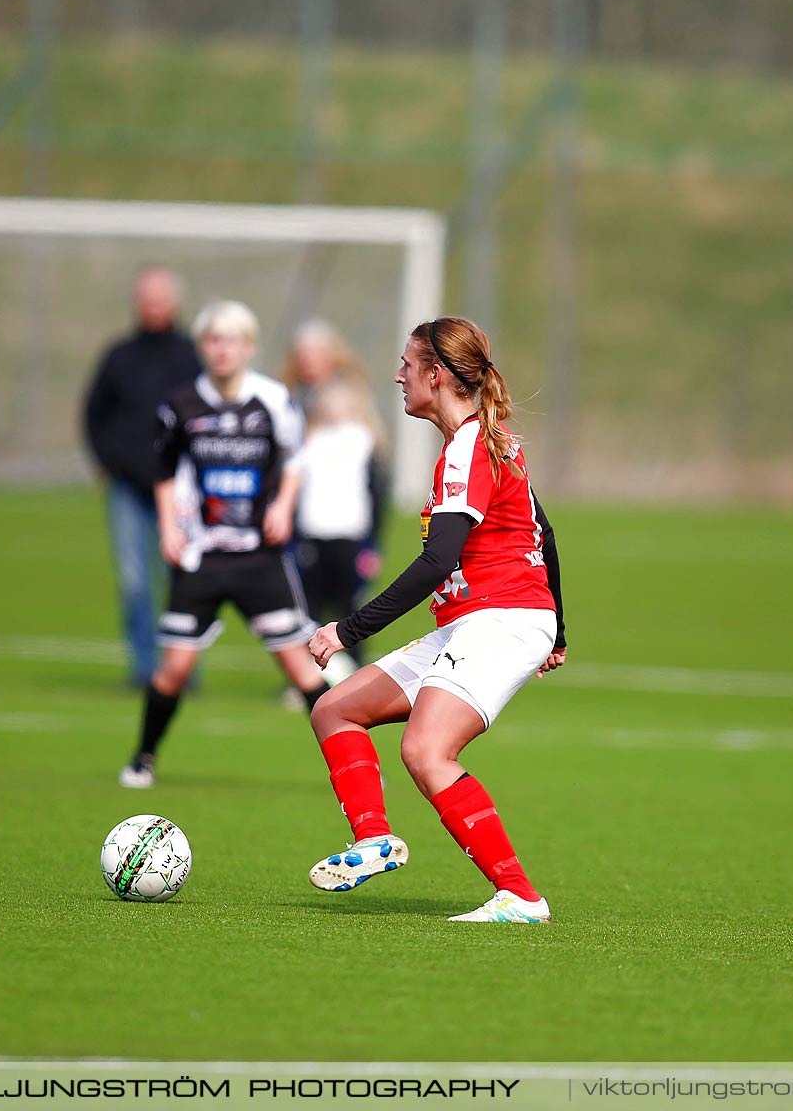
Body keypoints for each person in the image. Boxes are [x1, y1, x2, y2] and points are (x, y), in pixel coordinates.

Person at [304, 317, 568, 924]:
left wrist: (348, 629)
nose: (398, 375)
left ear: (436, 374)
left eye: (407, 364)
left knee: (425, 750)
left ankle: (521, 898)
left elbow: (436, 562)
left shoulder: (470, 447)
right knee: (334, 710)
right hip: (486, 620)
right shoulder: (488, 441)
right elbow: (543, 533)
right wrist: (560, 632)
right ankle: (372, 839)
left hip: (502, 619)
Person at [119, 300, 330, 789]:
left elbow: (296, 459)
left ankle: (356, 765)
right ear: (202, 347)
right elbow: (165, 472)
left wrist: (281, 507)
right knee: (173, 669)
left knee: (302, 670)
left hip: (261, 558)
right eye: (213, 340)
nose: (222, 350)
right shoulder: (180, 405)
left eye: (232, 340)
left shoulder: (274, 400)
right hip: (201, 557)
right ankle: (143, 758)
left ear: (249, 347)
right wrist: (170, 528)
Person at [83, 266, 203, 689]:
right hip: (129, 490)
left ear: (174, 302)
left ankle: (182, 670)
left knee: (182, 583)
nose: (153, 305)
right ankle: (143, 669)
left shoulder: (193, 357)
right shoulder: (119, 356)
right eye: (146, 297)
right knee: (134, 582)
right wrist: (110, 462)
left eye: (160, 297)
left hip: (181, 492)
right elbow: (94, 416)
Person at [294, 380, 385, 670]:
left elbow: (376, 497)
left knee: (350, 607)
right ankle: (307, 673)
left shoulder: (363, 441)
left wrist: (372, 546)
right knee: (311, 608)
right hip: (314, 535)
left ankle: (353, 668)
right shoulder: (309, 441)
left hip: (349, 536)